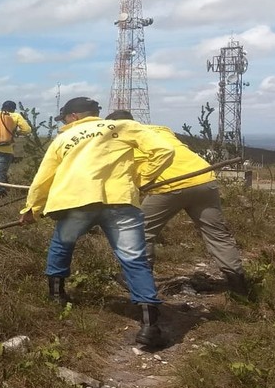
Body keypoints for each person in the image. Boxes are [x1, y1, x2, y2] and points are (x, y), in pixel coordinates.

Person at [19, 97, 175, 347]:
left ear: (73, 117)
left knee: (63, 244)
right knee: (134, 258)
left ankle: (56, 296)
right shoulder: (122, 127)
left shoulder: (62, 139)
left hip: (77, 202)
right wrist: (142, 179)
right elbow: (165, 150)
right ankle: (149, 325)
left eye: (65, 119)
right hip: (119, 201)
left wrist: (32, 209)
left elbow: (43, 178)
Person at [105, 110, 251, 296]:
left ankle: (140, 280)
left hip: (169, 186)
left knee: (141, 231)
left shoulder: (119, 140)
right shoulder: (160, 130)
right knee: (217, 235)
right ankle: (240, 287)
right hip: (204, 179)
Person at [0, 101, 32, 197]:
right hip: (5, 150)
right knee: (0, 174)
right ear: (13, 109)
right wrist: (17, 133)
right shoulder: (15, 116)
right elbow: (27, 130)